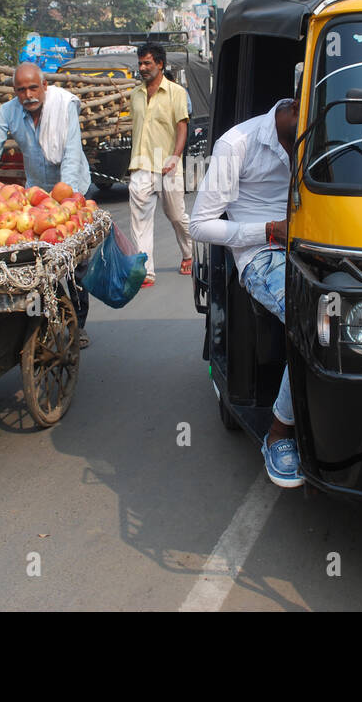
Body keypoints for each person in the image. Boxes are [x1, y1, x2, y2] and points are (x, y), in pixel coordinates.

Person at [189, 98, 302, 488]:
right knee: (309, 322)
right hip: (263, 254)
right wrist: (269, 230)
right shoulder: (237, 144)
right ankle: (279, 431)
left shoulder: (322, 134)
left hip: (318, 246)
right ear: (296, 103)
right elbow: (200, 225)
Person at [0, 62, 93, 345]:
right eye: (21, 89)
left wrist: (68, 202)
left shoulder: (64, 107)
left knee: (75, 265)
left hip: (71, 192)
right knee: (35, 263)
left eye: (33, 87)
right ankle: (42, 320)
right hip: (35, 195)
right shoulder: (9, 111)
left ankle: (79, 323)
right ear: (15, 91)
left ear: (44, 86)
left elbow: (73, 152)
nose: (28, 94)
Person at [128, 41, 192, 287]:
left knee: (176, 215)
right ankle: (146, 270)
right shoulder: (135, 94)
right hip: (141, 165)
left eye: (147, 63)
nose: (143, 68)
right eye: (140, 63)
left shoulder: (176, 92)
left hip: (169, 165)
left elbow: (181, 127)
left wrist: (175, 156)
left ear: (160, 64)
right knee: (140, 220)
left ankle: (188, 253)